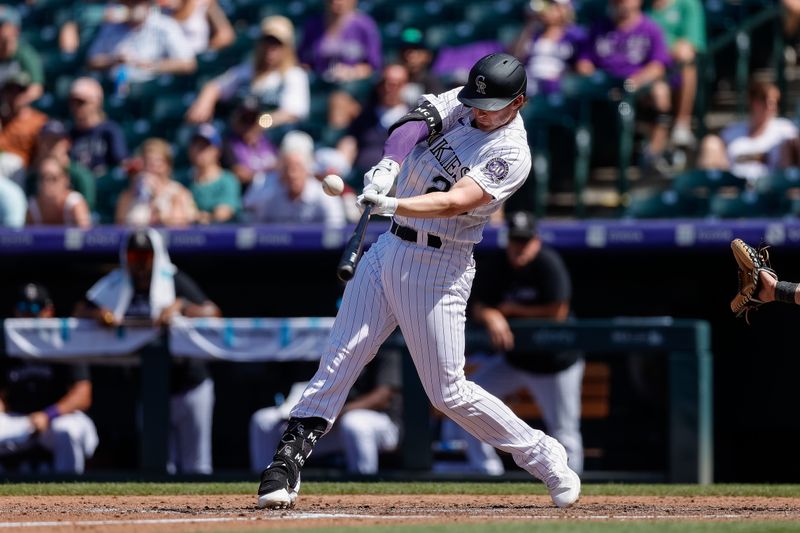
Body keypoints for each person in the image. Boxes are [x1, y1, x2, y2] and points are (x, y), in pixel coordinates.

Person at [255, 53, 580, 510]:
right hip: (388, 247)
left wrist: (393, 204)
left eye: (493, 103)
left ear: (518, 102)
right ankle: (285, 464)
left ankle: (543, 456)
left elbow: (456, 201)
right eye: (477, 99)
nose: (480, 109)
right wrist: (389, 164)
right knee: (340, 359)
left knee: (447, 392)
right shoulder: (467, 102)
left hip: (439, 266)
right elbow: (414, 122)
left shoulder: (512, 152)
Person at [445, 211, 584, 475]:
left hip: (555, 365)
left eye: (525, 240)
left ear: (536, 241)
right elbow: (479, 306)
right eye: (515, 240)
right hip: (515, 360)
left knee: (565, 432)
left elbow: (558, 312)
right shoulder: (498, 265)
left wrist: (511, 309)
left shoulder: (547, 263)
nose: (519, 247)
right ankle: (487, 473)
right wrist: (492, 315)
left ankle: (572, 486)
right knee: (467, 405)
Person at [74, 228, 221, 474]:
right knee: (160, 467)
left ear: (156, 257)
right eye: (134, 257)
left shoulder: (172, 280)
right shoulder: (117, 283)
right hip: (151, 388)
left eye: (146, 257)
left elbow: (213, 313)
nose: (140, 264)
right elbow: (80, 309)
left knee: (198, 466)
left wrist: (181, 306)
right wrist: (98, 314)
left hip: (190, 384)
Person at [250, 350, 401, 475]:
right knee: (263, 420)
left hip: (378, 422)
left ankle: (364, 485)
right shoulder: (324, 344)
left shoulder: (383, 344)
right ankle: (270, 483)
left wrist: (338, 412)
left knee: (354, 423)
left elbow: (382, 397)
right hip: (326, 421)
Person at [0, 283, 99, 474]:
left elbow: (83, 394)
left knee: (67, 431)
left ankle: (70, 494)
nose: (29, 314)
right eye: (23, 308)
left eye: (36, 308)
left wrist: (48, 415)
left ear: (49, 311)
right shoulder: (8, 344)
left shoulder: (65, 342)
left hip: (58, 418)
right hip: (22, 419)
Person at [576, 0, 672, 168]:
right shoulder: (600, 27)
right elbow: (583, 63)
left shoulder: (650, 28)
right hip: (604, 86)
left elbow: (658, 66)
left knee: (660, 91)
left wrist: (633, 82)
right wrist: (597, 79)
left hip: (637, 85)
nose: (621, 4)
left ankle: (654, 152)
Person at [186, 16, 309, 128]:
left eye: (277, 44)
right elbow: (216, 86)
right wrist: (204, 102)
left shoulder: (294, 75)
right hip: (242, 135)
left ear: (287, 48)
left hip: (274, 137)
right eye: (267, 42)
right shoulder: (247, 70)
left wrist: (259, 123)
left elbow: (291, 114)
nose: (270, 49)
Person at [698, 81, 797, 186]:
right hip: (734, 188)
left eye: (775, 102)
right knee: (710, 143)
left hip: (771, 189)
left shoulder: (785, 129)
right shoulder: (732, 131)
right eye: (767, 101)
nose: (772, 107)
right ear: (754, 102)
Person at [243, 131, 346, 226]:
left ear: (308, 169)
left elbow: (336, 234)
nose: (292, 174)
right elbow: (255, 229)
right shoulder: (269, 193)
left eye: (297, 168)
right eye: (287, 168)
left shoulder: (325, 198)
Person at [86, 0, 197, 86]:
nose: (132, 5)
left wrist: (151, 65)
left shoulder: (165, 25)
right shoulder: (111, 27)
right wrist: (114, 61)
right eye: (128, 2)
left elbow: (188, 64)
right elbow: (91, 62)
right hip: (114, 86)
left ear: (148, 4)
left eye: (137, 1)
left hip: (151, 88)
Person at [646, 0, 706, 148]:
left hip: (669, 67)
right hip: (642, 67)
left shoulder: (688, 4)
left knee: (686, 58)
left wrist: (660, 53)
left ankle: (682, 124)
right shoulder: (641, 5)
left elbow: (691, 45)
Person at [336, 64, 410, 182]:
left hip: (396, 182)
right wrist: (340, 165)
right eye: (383, 83)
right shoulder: (365, 114)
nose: (387, 88)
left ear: (404, 86)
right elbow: (350, 141)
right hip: (361, 178)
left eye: (394, 84)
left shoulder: (414, 119)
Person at [510, 0, 587, 97]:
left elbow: (582, 66)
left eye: (552, 5)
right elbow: (516, 57)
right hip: (529, 86)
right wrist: (529, 24)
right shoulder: (534, 33)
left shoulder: (575, 35)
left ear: (563, 9)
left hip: (559, 90)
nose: (546, 10)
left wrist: (563, 78)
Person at [115, 138, 197, 226]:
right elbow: (120, 228)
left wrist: (157, 198)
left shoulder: (179, 194)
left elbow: (179, 228)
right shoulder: (129, 195)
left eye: (158, 163)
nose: (152, 168)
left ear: (168, 166)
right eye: (147, 163)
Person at [298, 0, 381, 84]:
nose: (336, 2)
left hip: (353, 86)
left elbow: (373, 66)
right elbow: (303, 61)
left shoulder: (364, 26)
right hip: (319, 85)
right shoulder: (313, 25)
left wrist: (352, 72)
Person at [27, 120, 96, 212]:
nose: (50, 146)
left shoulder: (80, 176)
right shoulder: (32, 177)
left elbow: (86, 211)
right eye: (46, 141)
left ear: (67, 143)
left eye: (55, 141)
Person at [68, 77, 129, 178]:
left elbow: (122, 163)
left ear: (96, 102)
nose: (76, 107)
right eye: (72, 102)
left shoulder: (109, 130)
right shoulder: (70, 133)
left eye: (81, 102)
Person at [221, 97, 280, 192]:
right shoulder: (228, 143)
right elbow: (241, 174)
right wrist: (269, 172)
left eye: (253, 119)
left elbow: (281, 166)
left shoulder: (268, 140)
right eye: (245, 119)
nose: (249, 125)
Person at [187, 123, 241, 224]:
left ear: (217, 151)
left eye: (204, 147)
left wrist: (199, 216)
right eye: (196, 146)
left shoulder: (228, 180)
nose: (199, 151)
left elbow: (223, 213)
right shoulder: (185, 179)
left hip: (220, 237)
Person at [0, 72, 48, 184]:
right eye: (10, 91)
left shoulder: (39, 121)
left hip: (21, 172)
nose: (14, 96)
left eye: (20, 91)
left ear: (27, 93)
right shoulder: (2, 119)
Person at [26, 157, 92, 228]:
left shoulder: (74, 203)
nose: (47, 183)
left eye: (53, 178)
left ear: (65, 180)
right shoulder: (33, 207)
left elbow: (85, 234)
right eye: (42, 177)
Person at [0, 5, 43, 106]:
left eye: (2, 25)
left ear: (15, 29)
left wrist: (16, 104)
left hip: (18, 109)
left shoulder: (26, 54)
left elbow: (36, 88)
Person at [161, 0, 234, 55]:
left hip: (204, 59)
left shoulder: (203, 3)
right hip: (177, 65)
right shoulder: (160, 13)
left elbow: (226, 35)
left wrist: (205, 53)